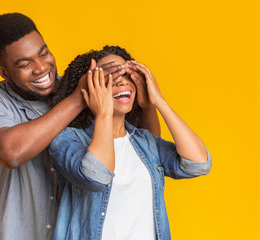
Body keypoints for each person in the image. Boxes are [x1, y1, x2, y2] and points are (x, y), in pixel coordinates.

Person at [0, 13, 160, 240]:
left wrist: (148, 106)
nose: (41, 68)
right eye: (25, 64)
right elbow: (11, 152)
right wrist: (78, 99)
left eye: (44, 53)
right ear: (4, 71)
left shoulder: (81, 88)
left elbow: (144, 153)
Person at [48, 46, 212, 240]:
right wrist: (103, 113)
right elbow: (96, 176)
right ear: (89, 89)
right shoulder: (67, 139)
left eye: (127, 75)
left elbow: (199, 164)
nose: (121, 82)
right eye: (109, 78)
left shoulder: (145, 142)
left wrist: (157, 100)